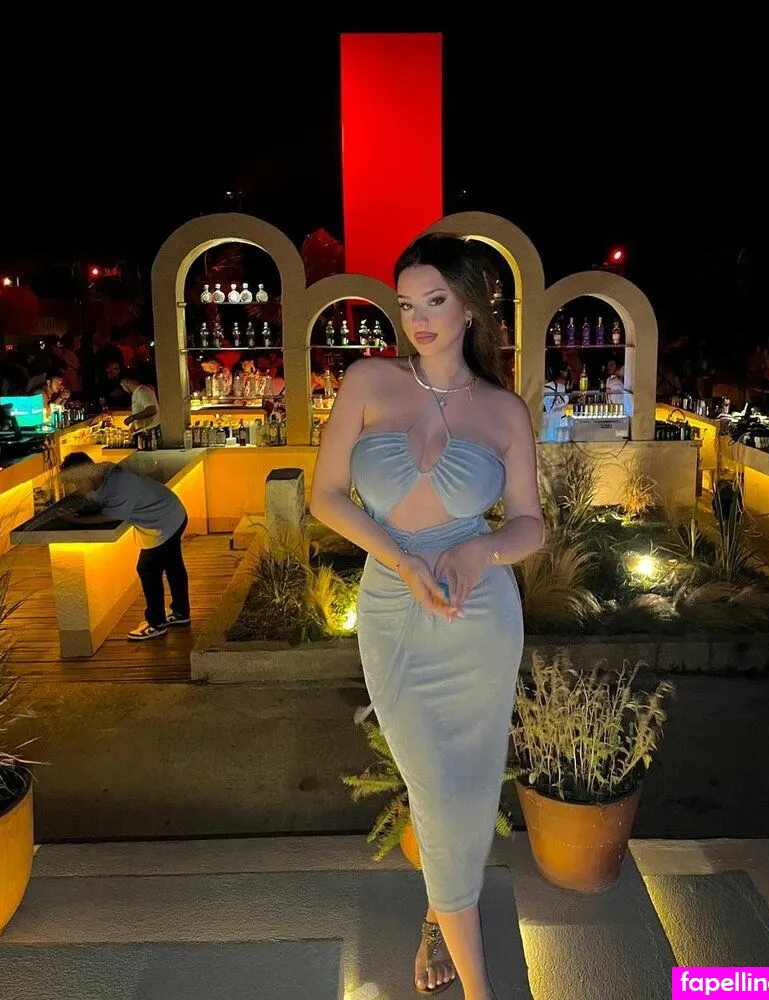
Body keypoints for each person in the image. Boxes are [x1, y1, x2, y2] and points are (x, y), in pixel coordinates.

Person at [311, 234, 544, 1000]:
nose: (417, 318)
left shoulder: (503, 410)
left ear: (470, 305)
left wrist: (480, 550)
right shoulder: (369, 380)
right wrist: (402, 559)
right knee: (430, 782)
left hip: (477, 616)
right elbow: (326, 497)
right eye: (407, 303)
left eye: (435, 301)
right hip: (393, 606)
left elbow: (530, 526)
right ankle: (471, 971)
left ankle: (450, 941)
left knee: (464, 790)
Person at [58, 452, 190, 640]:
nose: (77, 488)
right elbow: (100, 501)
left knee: (147, 569)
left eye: (77, 482)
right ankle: (181, 612)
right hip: (171, 514)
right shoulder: (103, 477)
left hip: (164, 521)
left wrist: (78, 520)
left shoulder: (119, 483)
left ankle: (157, 623)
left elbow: (112, 515)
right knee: (173, 566)